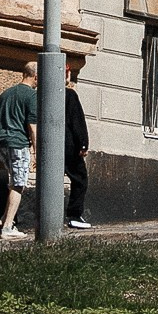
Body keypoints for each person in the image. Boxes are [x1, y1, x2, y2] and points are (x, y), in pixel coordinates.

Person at [0, 73, 37, 241]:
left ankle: (4, 219)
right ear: (35, 76)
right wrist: (37, 152)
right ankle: (8, 226)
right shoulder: (31, 95)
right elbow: (32, 126)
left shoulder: (6, 93)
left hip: (2, 143)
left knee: (14, 180)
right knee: (18, 184)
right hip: (19, 143)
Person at [63, 55, 92, 232]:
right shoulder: (70, 95)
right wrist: (83, 144)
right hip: (69, 146)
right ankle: (74, 215)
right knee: (80, 179)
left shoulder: (41, 93)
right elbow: (77, 122)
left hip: (50, 144)